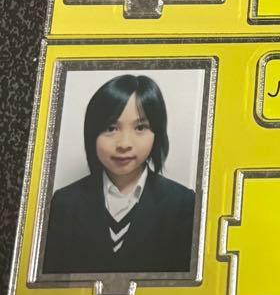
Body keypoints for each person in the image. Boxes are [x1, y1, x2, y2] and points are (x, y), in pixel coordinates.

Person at [42, 74, 196, 274]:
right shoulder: (64, 203)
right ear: (92, 134)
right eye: (111, 128)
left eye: (140, 127)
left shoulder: (183, 204)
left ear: (157, 133)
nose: (124, 144)